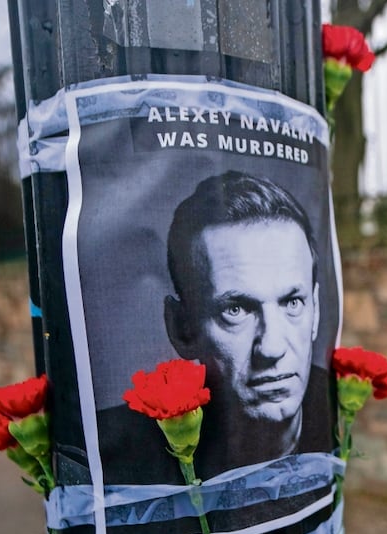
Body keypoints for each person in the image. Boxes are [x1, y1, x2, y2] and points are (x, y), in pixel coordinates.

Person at [97, 171, 331, 488]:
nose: (272, 347)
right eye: (235, 310)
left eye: (292, 303)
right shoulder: (116, 461)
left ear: (315, 310)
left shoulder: (334, 407)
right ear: (182, 328)